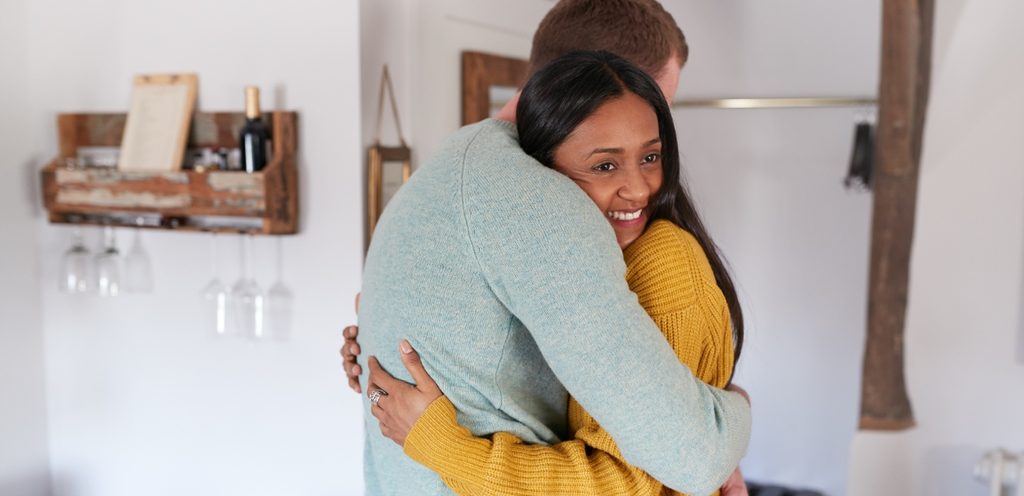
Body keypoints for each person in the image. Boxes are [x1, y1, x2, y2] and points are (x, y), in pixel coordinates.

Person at [352, 2, 751, 495]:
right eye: (659, 100)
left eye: (651, 147)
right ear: (593, 78)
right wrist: (735, 406)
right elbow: (693, 456)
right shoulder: (536, 199)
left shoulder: (446, 170)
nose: (640, 182)